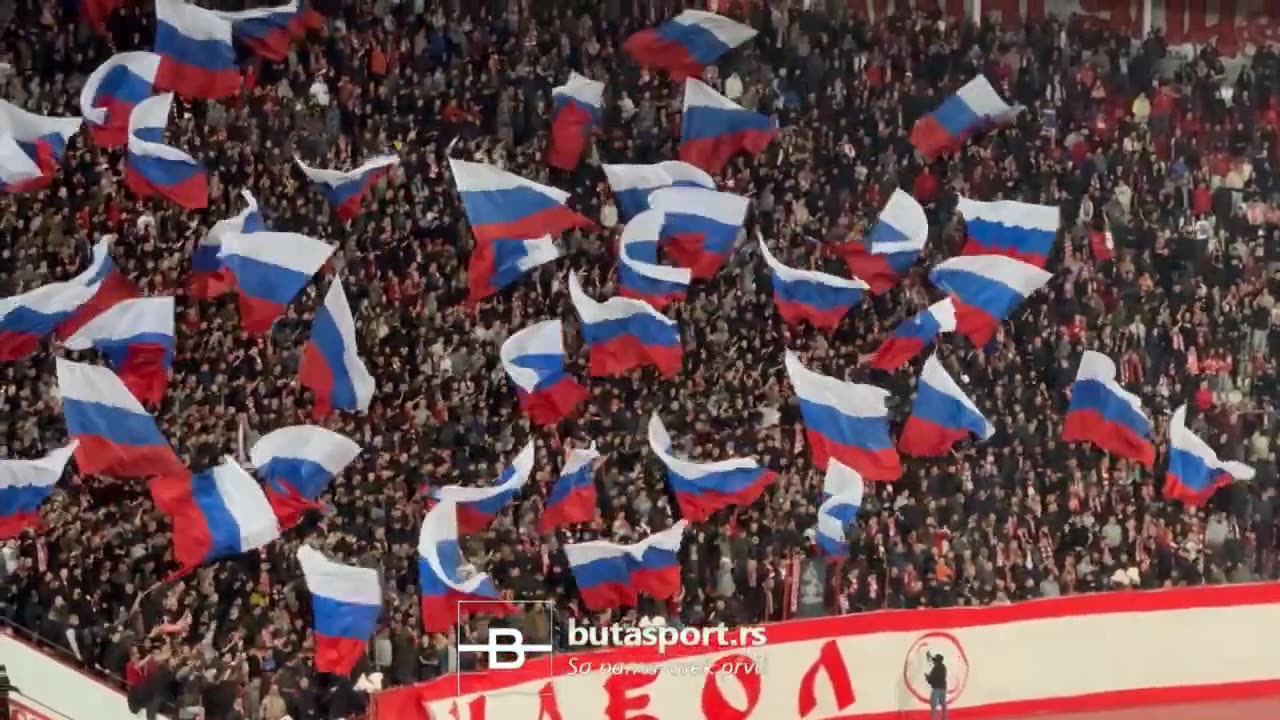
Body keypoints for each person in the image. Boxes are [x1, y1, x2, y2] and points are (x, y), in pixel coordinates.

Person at [926, 652, 948, 720]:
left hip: (936, 689)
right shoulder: (943, 667)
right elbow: (935, 660)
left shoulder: (935, 668)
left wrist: (927, 676)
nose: (934, 661)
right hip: (943, 689)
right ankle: (944, 718)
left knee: (933, 706)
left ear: (937, 661)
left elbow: (930, 680)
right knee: (943, 704)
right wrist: (930, 656)